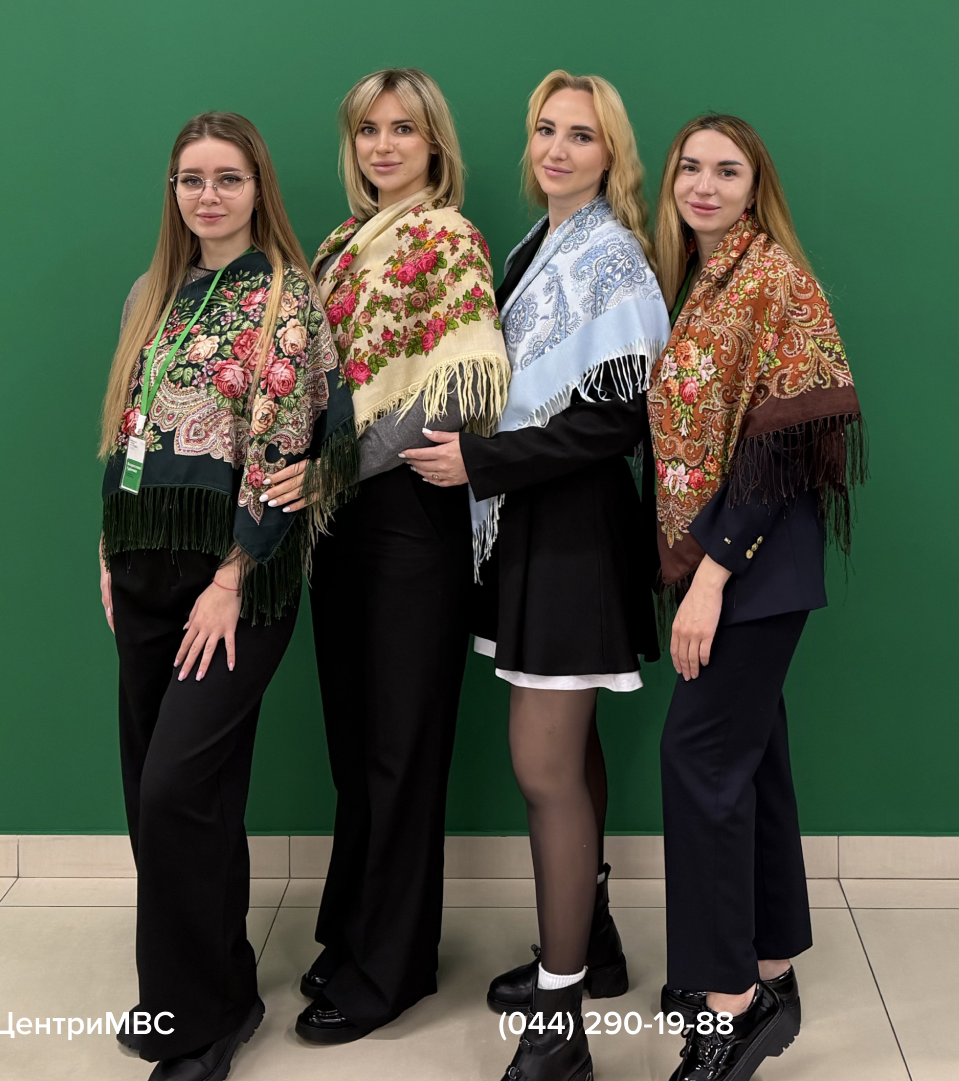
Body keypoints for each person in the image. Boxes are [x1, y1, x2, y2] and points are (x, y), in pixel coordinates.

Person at [404, 70, 667, 1081]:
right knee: (569, 752)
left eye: (581, 136)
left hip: (572, 540)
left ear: (612, 155)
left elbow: (618, 421)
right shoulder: (534, 245)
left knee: (543, 769)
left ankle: (559, 1027)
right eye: (546, 130)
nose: (557, 149)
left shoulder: (611, 256)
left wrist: (483, 462)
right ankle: (591, 945)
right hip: (531, 532)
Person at [96, 111, 351, 1081]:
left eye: (227, 178)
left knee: (177, 790)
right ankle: (207, 989)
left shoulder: (286, 297)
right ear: (173, 191)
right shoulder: (150, 293)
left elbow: (287, 452)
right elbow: (127, 429)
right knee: (161, 797)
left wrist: (233, 578)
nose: (208, 195)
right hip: (142, 568)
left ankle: (201, 1026)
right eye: (191, 179)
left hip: (234, 580)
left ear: (257, 189)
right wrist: (107, 550)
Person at [282, 68, 511, 1044]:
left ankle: (394, 966)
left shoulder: (447, 240)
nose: (383, 146)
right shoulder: (339, 246)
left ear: (434, 144)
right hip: (343, 527)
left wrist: (331, 467)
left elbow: (452, 392)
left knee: (400, 747)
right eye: (368, 130)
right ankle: (354, 931)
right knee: (354, 741)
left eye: (402, 129)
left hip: (409, 523)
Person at [647, 114, 864, 1081]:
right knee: (750, 758)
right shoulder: (700, 280)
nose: (704, 184)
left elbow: (786, 442)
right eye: (689, 167)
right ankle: (769, 971)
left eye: (725, 170)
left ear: (754, 185)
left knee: (697, 758)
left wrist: (710, 577)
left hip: (752, 568)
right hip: (740, 566)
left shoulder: (772, 277)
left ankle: (728, 1007)